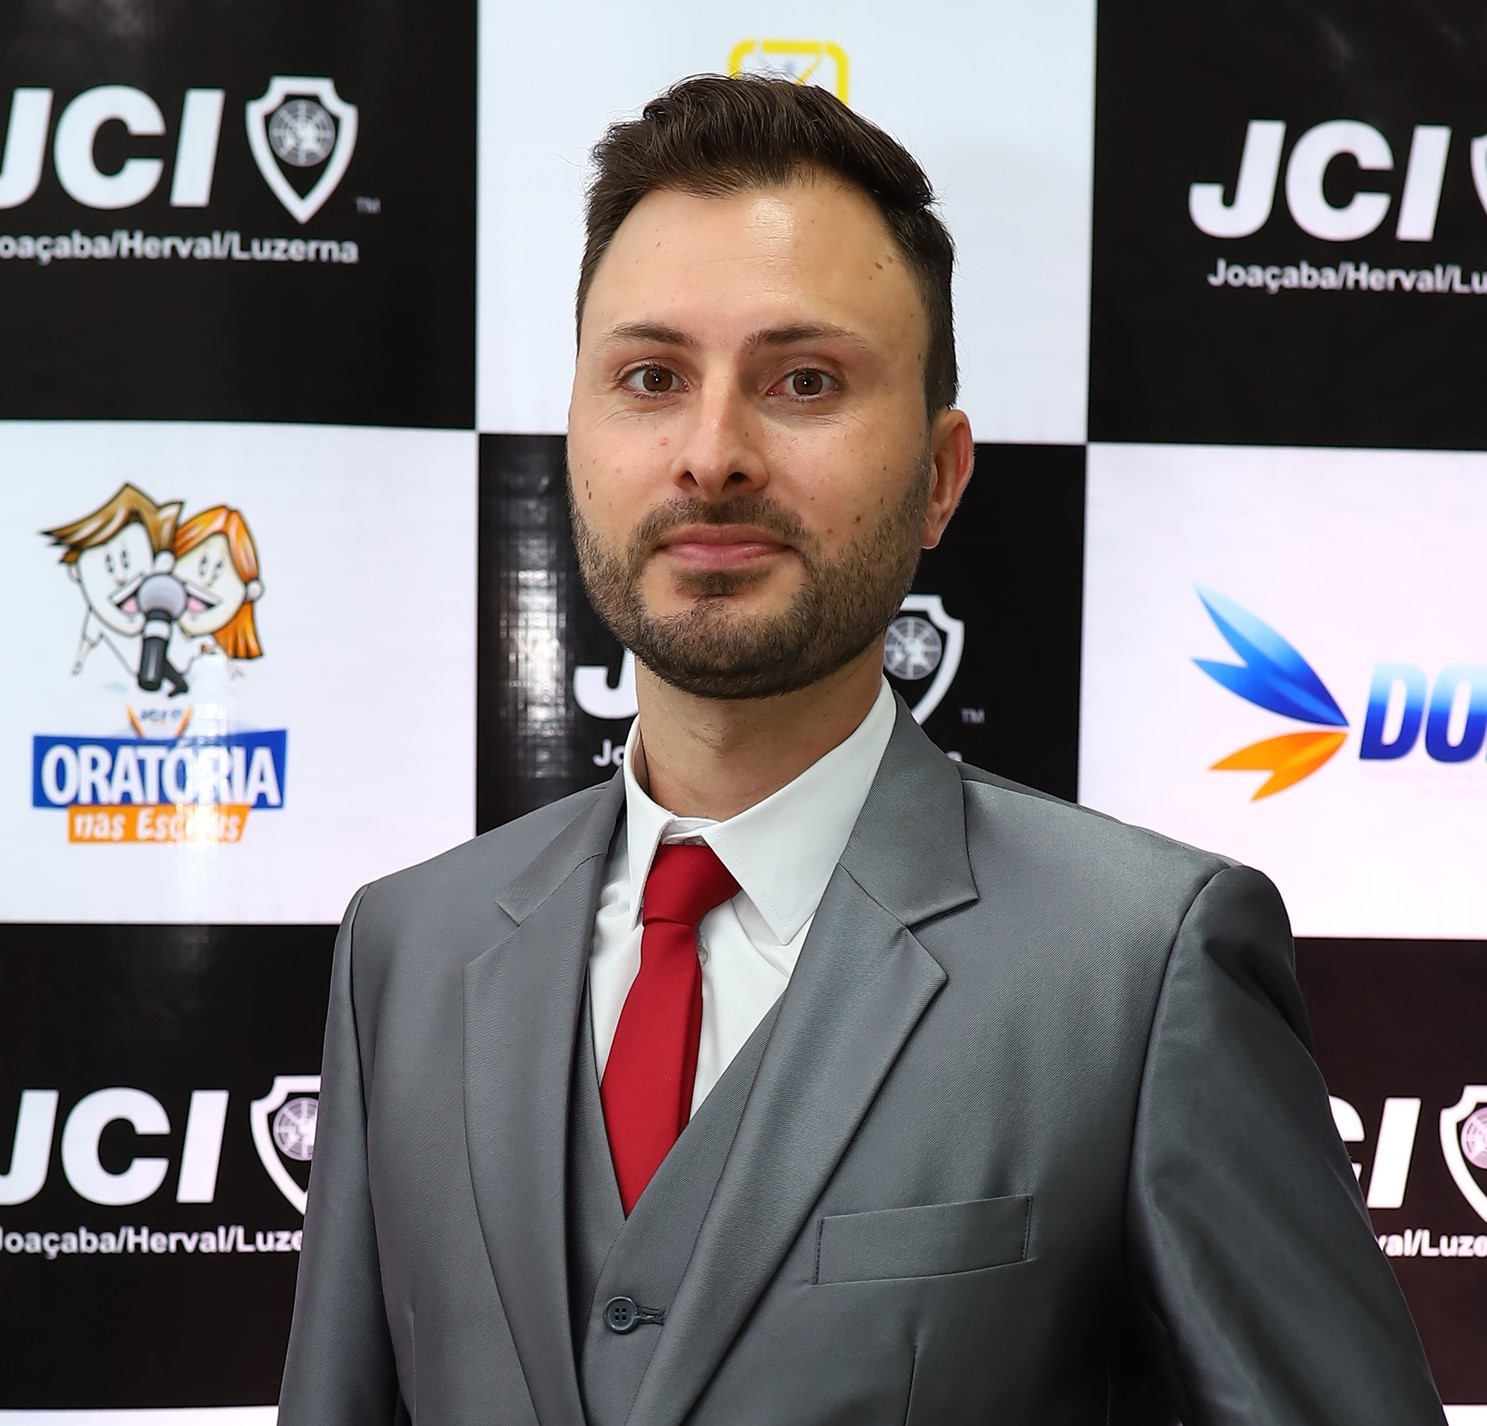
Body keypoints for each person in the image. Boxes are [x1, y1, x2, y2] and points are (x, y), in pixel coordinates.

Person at [279, 75, 1446, 1425]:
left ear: (942, 474)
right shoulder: (404, 952)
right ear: (578, 437)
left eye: (805, 381)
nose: (713, 453)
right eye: (651, 377)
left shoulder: (1141, 970)